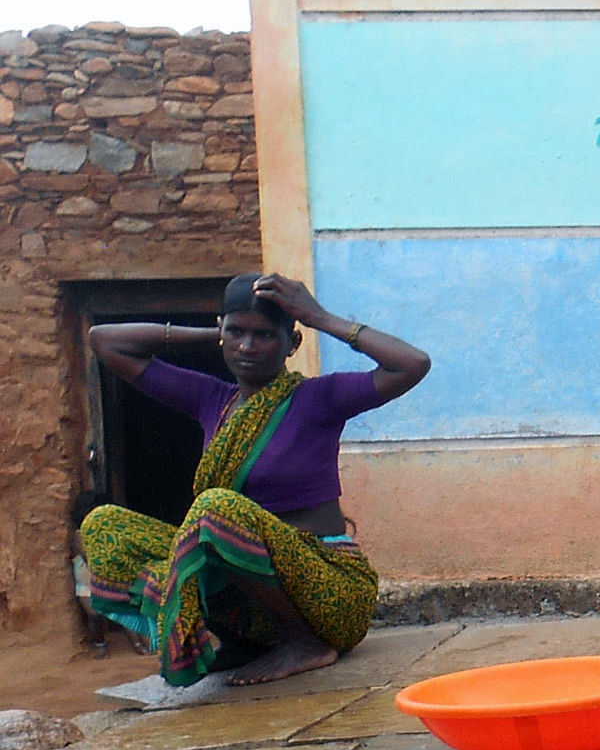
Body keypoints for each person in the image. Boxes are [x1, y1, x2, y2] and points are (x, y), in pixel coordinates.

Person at [81, 274, 431, 686]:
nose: (247, 347)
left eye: (264, 335)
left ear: (292, 344)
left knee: (215, 509)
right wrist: (217, 331)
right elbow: (104, 340)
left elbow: (412, 364)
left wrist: (318, 317)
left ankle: (304, 644)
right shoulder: (211, 398)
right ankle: (240, 641)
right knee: (104, 526)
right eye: (237, 333)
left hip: (326, 592)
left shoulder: (320, 399)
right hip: (247, 601)